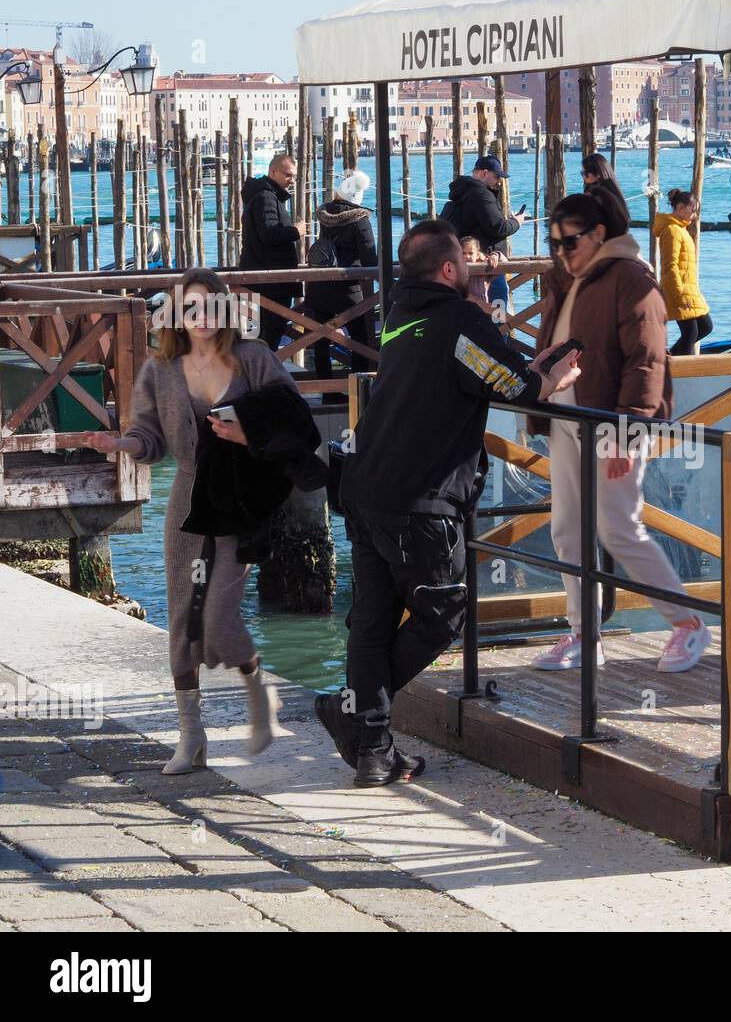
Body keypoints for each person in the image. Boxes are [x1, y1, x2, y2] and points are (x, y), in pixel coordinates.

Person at [318, 219, 581, 787]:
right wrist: (551, 381)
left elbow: (465, 372)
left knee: (372, 621)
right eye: (467, 260)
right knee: (443, 615)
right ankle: (354, 715)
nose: (475, 267)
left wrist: (511, 360)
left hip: (364, 488)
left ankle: (373, 747)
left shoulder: (397, 319)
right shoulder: (459, 319)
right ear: (447, 270)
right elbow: (513, 386)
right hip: (421, 499)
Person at [85, 268, 297, 774]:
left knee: (218, 617)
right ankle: (191, 736)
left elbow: (292, 415)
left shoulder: (254, 358)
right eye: (189, 307)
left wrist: (251, 435)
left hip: (241, 496)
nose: (199, 317)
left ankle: (258, 693)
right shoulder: (160, 369)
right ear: (177, 314)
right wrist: (121, 445)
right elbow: (149, 436)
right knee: (182, 619)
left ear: (224, 311)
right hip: (186, 495)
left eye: (208, 306)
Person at [531, 186, 710, 674]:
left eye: (569, 242)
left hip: (611, 425)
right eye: (555, 243)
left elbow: (648, 361)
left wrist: (628, 434)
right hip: (570, 421)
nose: (561, 252)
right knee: (567, 530)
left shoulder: (632, 279)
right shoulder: (569, 280)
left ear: (599, 234)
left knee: (619, 529)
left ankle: (689, 623)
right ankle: (584, 634)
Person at [301, 169, 378, 401]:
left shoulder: (325, 214)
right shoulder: (360, 220)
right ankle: (360, 392)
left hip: (320, 284)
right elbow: (370, 259)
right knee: (360, 340)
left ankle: (329, 393)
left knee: (322, 339)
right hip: (347, 288)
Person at [439, 154, 525, 317]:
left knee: (472, 320)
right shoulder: (481, 194)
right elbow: (498, 227)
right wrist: (517, 222)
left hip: (467, 269)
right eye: (497, 176)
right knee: (497, 317)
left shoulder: (463, 193)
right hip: (486, 269)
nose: (499, 181)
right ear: (485, 173)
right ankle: (498, 341)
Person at [239, 152, 307, 352]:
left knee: (262, 338)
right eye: (287, 175)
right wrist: (296, 231)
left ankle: (260, 376)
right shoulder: (266, 197)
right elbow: (268, 234)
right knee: (267, 338)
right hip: (269, 283)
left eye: (293, 176)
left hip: (266, 281)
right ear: (273, 171)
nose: (291, 180)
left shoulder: (266, 195)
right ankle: (262, 378)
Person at [653, 188, 713, 356]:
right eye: (692, 211)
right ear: (680, 208)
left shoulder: (681, 229)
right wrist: (679, 294)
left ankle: (670, 359)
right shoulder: (672, 231)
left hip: (689, 289)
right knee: (690, 332)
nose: (694, 215)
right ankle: (679, 372)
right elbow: (669, 266)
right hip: (679, 289)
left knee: (705, 327)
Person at [580, 152, 630, 217]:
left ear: (598, 174)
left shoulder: (596, 195)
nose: (583, 176)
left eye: (585, 173)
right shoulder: (615, 193)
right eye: (582, 173)